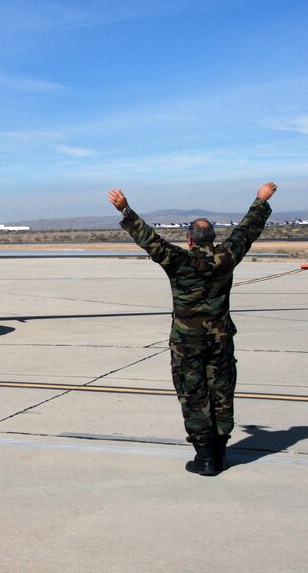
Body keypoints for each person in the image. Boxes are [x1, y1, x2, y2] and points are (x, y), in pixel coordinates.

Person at [107, 182, 278, 476]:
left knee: (194, 394)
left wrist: (125, 208)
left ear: (189, 240)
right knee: (221, 392)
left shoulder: (179, 262)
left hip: (188, 344)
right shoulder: (226, 257)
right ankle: (220, 452)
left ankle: (206, 457)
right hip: (220, 341)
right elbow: (247, 231)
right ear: (213, 238)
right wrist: (260, 200)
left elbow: (150, 240)